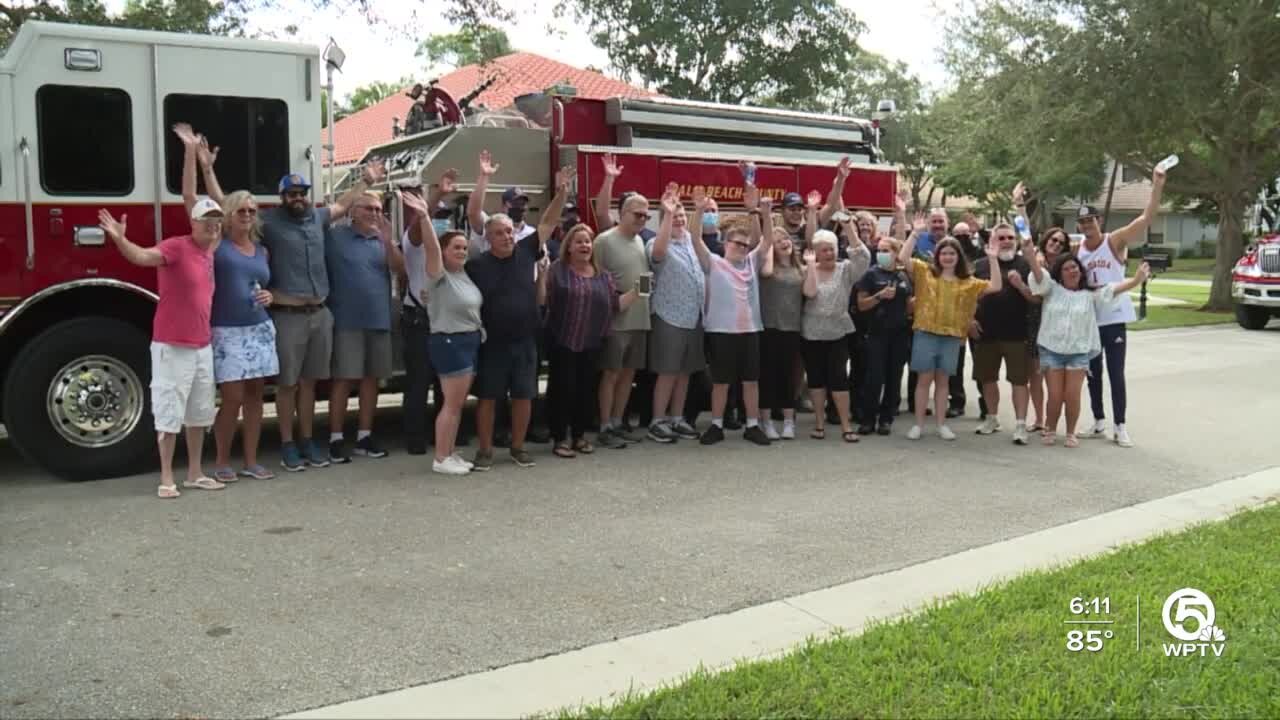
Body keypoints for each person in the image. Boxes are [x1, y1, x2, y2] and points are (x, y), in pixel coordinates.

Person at [211, 158, 384, 471]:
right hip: (287, 315)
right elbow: (230, 209)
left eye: (302, 192)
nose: (298, 198)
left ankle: (307, 440)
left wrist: (367, 181)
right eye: (291, 193)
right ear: (282, 197)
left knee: (309, 383)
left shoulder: (318, 218)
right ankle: (287, 443)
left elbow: (344, 204)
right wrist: (207, 169)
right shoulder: (268, 224)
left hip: (321, 314)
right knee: (287, 384)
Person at [171, 123, 279, 483]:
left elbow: (266, 284)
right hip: (227, 331)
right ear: (228, 215)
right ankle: (220, 461)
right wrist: (197, 160)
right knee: (230, 399)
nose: (246, 215)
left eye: (251, 211)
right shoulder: (217, 244)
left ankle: (250, 460)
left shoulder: (261, 249)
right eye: (240, 211)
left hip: (260, 329)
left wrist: (271, 296)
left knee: (254, 400)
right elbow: (192, 199)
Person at [98, 196, 225, 498]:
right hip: (173, 345)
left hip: (202, 346)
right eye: (206, 220)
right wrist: (120, 239)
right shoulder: (177, 247)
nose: (213, 226)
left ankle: (195, 473)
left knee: (200, 412)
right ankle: (166, 477)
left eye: (217, 221)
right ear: (192, 222)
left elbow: (213, 204)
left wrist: (198, 158)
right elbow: (142, 257)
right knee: (169, 411)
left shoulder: (210, 250)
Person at [465, 161, 573, 471]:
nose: (506, 237)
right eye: (499, 233)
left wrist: (562, 190)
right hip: (493, 343)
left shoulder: (527, 250)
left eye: (509, 232)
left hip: (527, 339)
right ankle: (485, 451)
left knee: (525, 396)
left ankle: (517, 447)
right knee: (488, 398)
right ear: (488, 237)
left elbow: (550, 220)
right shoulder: (477, 264)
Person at [1026, 237, 1150, 447]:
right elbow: (1036, 270)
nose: (1071, 271)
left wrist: (1136, 280)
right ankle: (1050, 429)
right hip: (1052, 350)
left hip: (1079, 352)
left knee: (1072, 395)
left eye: (1074, 267)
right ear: (1059, 273)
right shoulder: (1051, 290)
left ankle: (1071, 432)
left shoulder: (1089, 295)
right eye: (1066, 268)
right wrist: (1029, 252)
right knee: (1055, 395)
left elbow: (1112, 290)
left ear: (1081, 271)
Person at [1076, 165, 1167, 448]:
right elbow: (1041, 243)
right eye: (1083, 222)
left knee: (1116, 372)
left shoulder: (1113, 240)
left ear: (1098, 220)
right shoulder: (1077, 246)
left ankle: (1121, 425)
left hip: (1113, 317)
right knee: (1092, 373)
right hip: (1089, 319)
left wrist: (1158, 185)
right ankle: (1099, 421)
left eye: (1091, 220)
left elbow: (1146, 218)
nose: (1087, 225)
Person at [399, 191, 482, 475]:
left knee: (456, 404)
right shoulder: (438, 275)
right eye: (455, 247)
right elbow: (431, 249)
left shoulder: (463, 274)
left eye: (463, 248)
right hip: (450, 342)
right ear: (444, 252)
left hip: (468, 341)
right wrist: (423, 216)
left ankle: (449, 451)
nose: (461, 251)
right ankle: (440, 458)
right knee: (451, 404)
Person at [898, 216, 1003, 440]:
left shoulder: (968, 282)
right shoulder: (925, 273)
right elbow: (902, 257)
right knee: (924, 380)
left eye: (952, 253)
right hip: (926, 333)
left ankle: (941, 425)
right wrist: (915, 234)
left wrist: (992, 258)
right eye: (944, 253)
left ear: (958, 257)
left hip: (952, 337)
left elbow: (996, 286)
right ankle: (918, 424)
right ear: (937, 256)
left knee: (943, 382)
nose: (947, 257)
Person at [544, 224, 640, 458]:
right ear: (569, 247)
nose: (584, 245)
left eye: (587, 241)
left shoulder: (602, 275)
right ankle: (559, 439)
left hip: (591, 343)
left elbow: (615, 305)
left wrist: (638, 291)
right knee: (562, 391)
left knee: (584, 392)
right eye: (579, 241)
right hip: (562, 342)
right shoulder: (557, 270)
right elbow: (544, 300)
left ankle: (578, 437)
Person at [324, 190, 405, 462]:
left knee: (372, 380)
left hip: (378, 320)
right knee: (344, 379)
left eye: (378, 209)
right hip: (346, 321)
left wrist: (388, 239)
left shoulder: (382, 240)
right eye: (368, 208)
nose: (374, 213)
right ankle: (335, 438)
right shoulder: (335, 238)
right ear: (353, 211)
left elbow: (399, 268)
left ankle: (364, 436)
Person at [699, 189, 776, 446]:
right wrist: (698, 210)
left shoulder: (752, 263)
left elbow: (767, 242)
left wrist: (764, 213)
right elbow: (693, 239)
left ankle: (752, 426)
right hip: (721, 332)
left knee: (751, 381)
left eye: (745, 245)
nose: (742, 248)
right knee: (720, 383)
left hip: (751, 331)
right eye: (737, 244)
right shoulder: (713, 263)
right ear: (725, 244)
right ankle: (716, 425)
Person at [646, 182, 713, 444]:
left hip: (693, 317)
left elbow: (696, 235)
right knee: (668, 371)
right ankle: (657, 421)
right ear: (664, 219)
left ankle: (677, 418)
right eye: (674, 217)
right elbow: (659, 254)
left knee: (685, 372)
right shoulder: (656, 242)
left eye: (682, 216)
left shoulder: (689, 242)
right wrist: (668, 211)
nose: (679, 220)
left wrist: (696, 211)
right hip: (669, 316)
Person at [399, 171, 459, 455]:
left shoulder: (450, 248)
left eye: (444, 216)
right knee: (418, 382)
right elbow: (417, 223)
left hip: (445, 321)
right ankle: (414, 438)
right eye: (436, 215)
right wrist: (437, 195)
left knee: (444, 382)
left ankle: (444, 436)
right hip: (419, 321)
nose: (440, 220)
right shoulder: (414, 242)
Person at [593, 189, 654, 449]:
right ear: (622, 213)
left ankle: (618, 422)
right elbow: (594, 279)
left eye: (646, 215)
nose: (642, 219)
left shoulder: (640, 241)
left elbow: (642, 280)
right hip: (616, 321)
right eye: (637, 214)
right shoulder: (604, 240)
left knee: (629, 374)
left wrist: (643, 290)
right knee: (611, 374)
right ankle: (605, 425)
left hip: (640, 319)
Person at [800, 222, 870, 443]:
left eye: (831, 248)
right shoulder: (806, 269)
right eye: (823, 249)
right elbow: (810, 293)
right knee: (816, 380)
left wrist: (849, 229)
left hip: (838, 332)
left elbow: (863, 257)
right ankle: (819, 424)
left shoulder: (846, 269)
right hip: (811, 332)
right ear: (815, 252)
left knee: (839, 378)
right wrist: (811, 266)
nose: (829, 253)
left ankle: (846, 426)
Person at [971, 223, 1034, 445]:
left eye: (1010, 237)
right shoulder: (979, 265)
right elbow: (967, 296)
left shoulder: (1025, 265)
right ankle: (992, 418)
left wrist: (1020, 286)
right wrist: (969, 320)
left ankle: (1020, 425)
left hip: (1017, 334)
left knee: (1019, 381)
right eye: (1001, 238)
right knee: (988, 379)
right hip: (986, 333)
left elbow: (1036, 300)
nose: (1006, 241)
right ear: (992, 241)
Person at [855, 196, 913, 437]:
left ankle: (886, 418)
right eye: (879, 251)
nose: (881, 254)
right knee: (874, 377)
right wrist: (879, 296)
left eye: (886, 250)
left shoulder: (904, 275)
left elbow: (911, 303)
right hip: (876, 333)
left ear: (896, 252)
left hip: (900, 333)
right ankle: (868, 418)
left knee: (893, 376)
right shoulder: (871, 274)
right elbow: (861, 304)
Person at [757, 224, 806, 439]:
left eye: (786, 238)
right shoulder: (768, 268)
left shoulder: (800, 268)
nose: (784, 242)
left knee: (789, 376)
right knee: (768, 376)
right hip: (770, 327)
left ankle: (788, 421)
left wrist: (811, 266)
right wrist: (768, 244)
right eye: (778, 241)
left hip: (793, 328)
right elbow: (766, 271)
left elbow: (810, 292)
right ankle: (766, 421)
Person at [1026, 226, 1070, 433]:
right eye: (1053, 239)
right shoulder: (1036, 260)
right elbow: (1024, 237)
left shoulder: (1065, 266)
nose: (1056, 244)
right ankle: (1039, 419)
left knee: (1054, 376)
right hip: (1035, 321)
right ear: (1046, 240)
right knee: (1036, 374)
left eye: (1061, 243)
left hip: (1058, 323)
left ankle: (1052, 421)